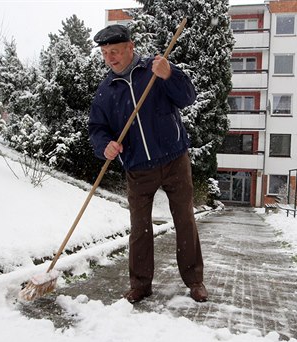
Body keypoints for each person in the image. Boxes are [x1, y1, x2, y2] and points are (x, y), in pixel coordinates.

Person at [88, 24, 208, 303]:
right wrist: (104, 146)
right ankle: (140, 284)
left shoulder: (155, 70)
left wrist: (171, 75)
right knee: (139, 227)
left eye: (115, 51)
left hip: (174, 158)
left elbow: (188, 98)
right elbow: (97, 128)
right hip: (138, 167)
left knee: (185, 220)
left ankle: (195, 280)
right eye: (105, 53)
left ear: (131, 47)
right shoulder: (106, 91)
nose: (110, 58)